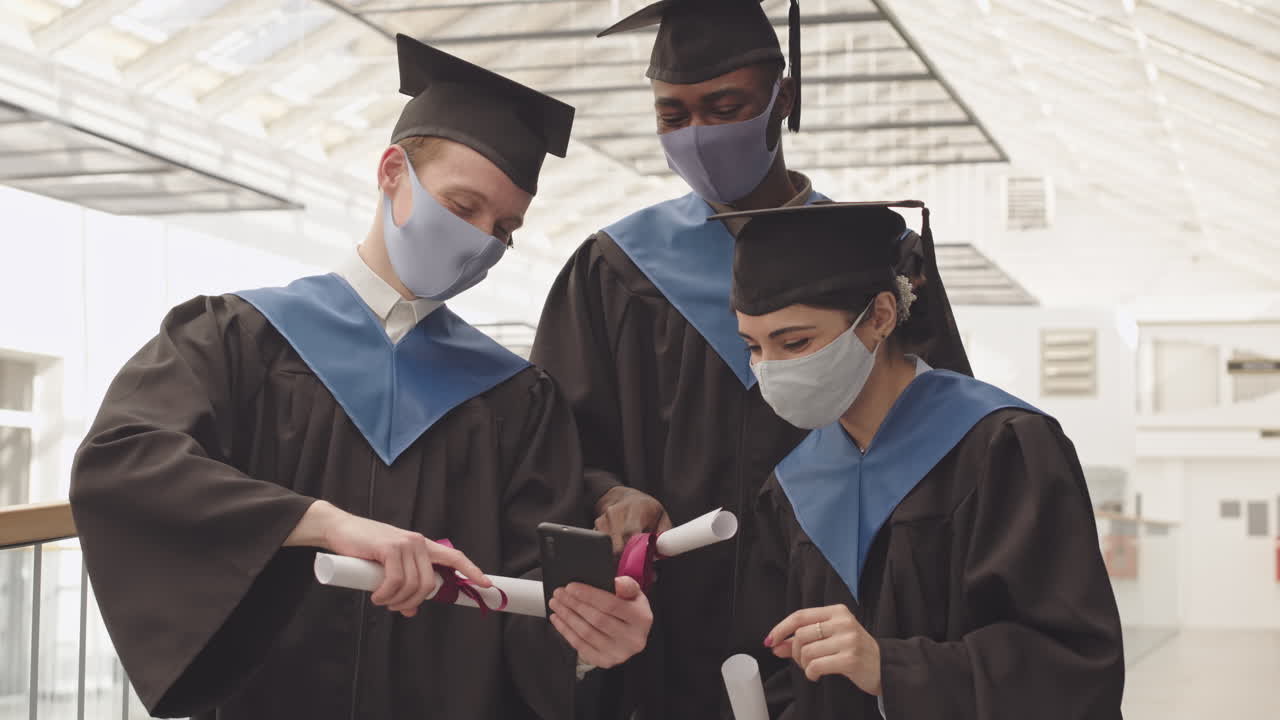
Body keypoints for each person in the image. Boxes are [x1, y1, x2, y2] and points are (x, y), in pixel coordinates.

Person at [69, 35, 650, 720]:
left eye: (505, 228)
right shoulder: (239, 339)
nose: (482, 242)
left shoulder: (516, 400)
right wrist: (320, 524)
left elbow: (532, 600)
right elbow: (125, 461)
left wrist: (592, 642)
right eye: (463, 208)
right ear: (392, 172)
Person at [531, 2, 971, 717]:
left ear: (782, 101)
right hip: (661, 640)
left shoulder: (875, 263)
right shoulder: (614, 271)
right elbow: (552, 444)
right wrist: (609, 493)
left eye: (724, 107)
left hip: (837, 627)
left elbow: (941, 442)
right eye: (672, 116)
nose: (698, 134)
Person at [709, 201, 1124, 718]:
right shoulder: (792, 487)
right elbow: (776, 670)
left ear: (880, 317)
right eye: (753, 346)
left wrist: (892, 668)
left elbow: (1072, 662)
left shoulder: (1001, 448)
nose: (770, 369)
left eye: (795, 342)